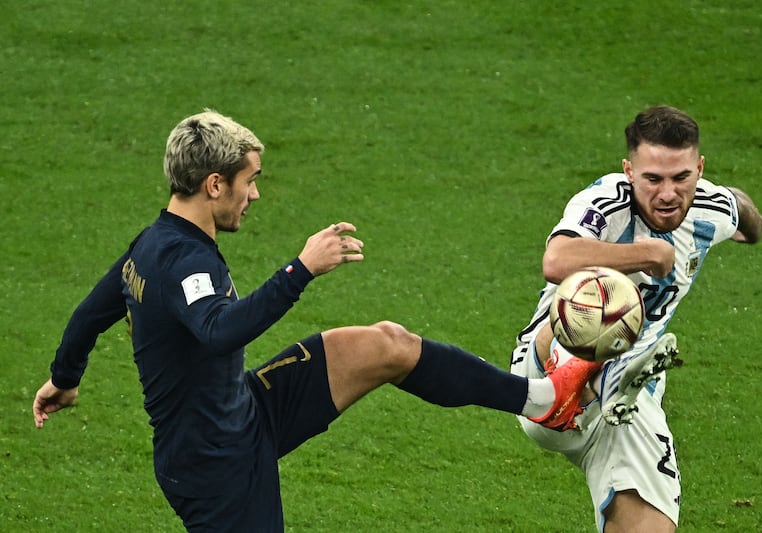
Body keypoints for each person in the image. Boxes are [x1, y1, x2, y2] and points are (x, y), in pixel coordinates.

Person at [33, 109, 594, 532]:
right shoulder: (184, 260)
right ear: (213, 185)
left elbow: (91, 311)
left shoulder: (151, 244)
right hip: (214, 465)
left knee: (387, 345)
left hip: (241, 410)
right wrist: (299, 269)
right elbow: (218, 329)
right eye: (248, 180)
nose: (254, 194)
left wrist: (64, 377)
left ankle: (544, 401)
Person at [509, 105, 762, 532]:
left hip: (627, 408)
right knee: (595, 301)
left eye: (682, 178)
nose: (668, 193)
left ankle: (624, 376)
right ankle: (596, 373)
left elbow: (744, 217)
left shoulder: (711, 207)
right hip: (544, 378)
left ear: (699, 168)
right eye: (653, 179)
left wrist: (744, 213)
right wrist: (649, 253)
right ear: (629, 171)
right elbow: (556, 260)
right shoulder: (606, 201)